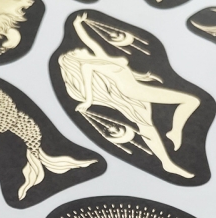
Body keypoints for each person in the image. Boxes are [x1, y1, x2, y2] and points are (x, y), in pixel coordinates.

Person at [58, 13, 200, 179]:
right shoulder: (88, 66)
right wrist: (88, 101)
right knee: (190, 100)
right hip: (133, 91)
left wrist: (78, 25)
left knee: (148, 127)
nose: (76, 49)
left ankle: (167, 161)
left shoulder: (101, 58)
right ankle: (174, 134)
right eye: (74, 53)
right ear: (75, 61)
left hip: (135, 89)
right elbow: (88, 81)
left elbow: (89, 41)